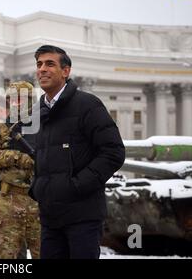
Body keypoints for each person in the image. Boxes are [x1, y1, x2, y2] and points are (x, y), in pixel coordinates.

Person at [30, 45, 125, 259]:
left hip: (83, 217)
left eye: (50, 64)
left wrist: (76, 186)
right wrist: (37, 188)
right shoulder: (37, 112)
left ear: (66, 71)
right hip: (50, 218)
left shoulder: (88, 105)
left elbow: (114, 152)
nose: (42, 69)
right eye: (39, 64)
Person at [0, 83, 40, 259]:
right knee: (4, 256)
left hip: (41, 200)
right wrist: (18, 158)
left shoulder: (45, 125)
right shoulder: (0, 127)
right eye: (11, 100)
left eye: (19, 99)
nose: (14, 104)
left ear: (30, 100)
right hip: (10, 200)